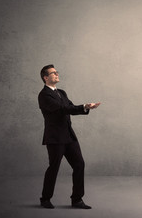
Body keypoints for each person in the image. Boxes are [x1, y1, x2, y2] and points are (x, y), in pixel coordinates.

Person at [38, 64, 100, 209]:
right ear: (45, 77)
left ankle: (77, 200)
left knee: (79, 164)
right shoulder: (44, 95)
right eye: (53, 73)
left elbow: (70, 108)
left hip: (68, 136)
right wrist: (83, 105)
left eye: (56, 72)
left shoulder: (62, 92)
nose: (56, 74)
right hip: (55, 138)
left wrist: (86, 107)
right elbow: (62, 109)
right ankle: (45, 198)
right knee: (54, 167)